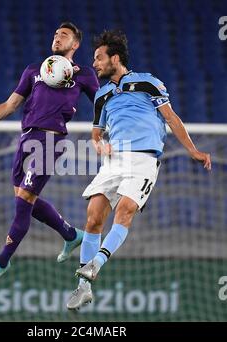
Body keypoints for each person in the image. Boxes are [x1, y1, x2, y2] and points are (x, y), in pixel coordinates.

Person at [66, 30, 211, 310]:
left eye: (99, 58)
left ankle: (96, 264)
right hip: (115, 160)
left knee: (126, 210)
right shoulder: (102, 95)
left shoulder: (148, 83)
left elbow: (171, 117)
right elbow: (96, 133)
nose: (94, 64)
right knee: (93, 217)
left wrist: (192, 149)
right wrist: (99, 145)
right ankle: (82, 288)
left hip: (144, 158)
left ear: (115, 58)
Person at [0, 22, 99, 287]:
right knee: (24, 199)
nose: (57, 38)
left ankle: (3, 260)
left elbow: (101, 103)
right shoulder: (34, 71)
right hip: (25, 138)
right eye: (55, 34)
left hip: (50, 139)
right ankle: (70, 234)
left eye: (64, 35)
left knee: (24, 201)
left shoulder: (83, 74)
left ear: (75, 44)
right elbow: (10, 105)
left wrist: (106, 130)